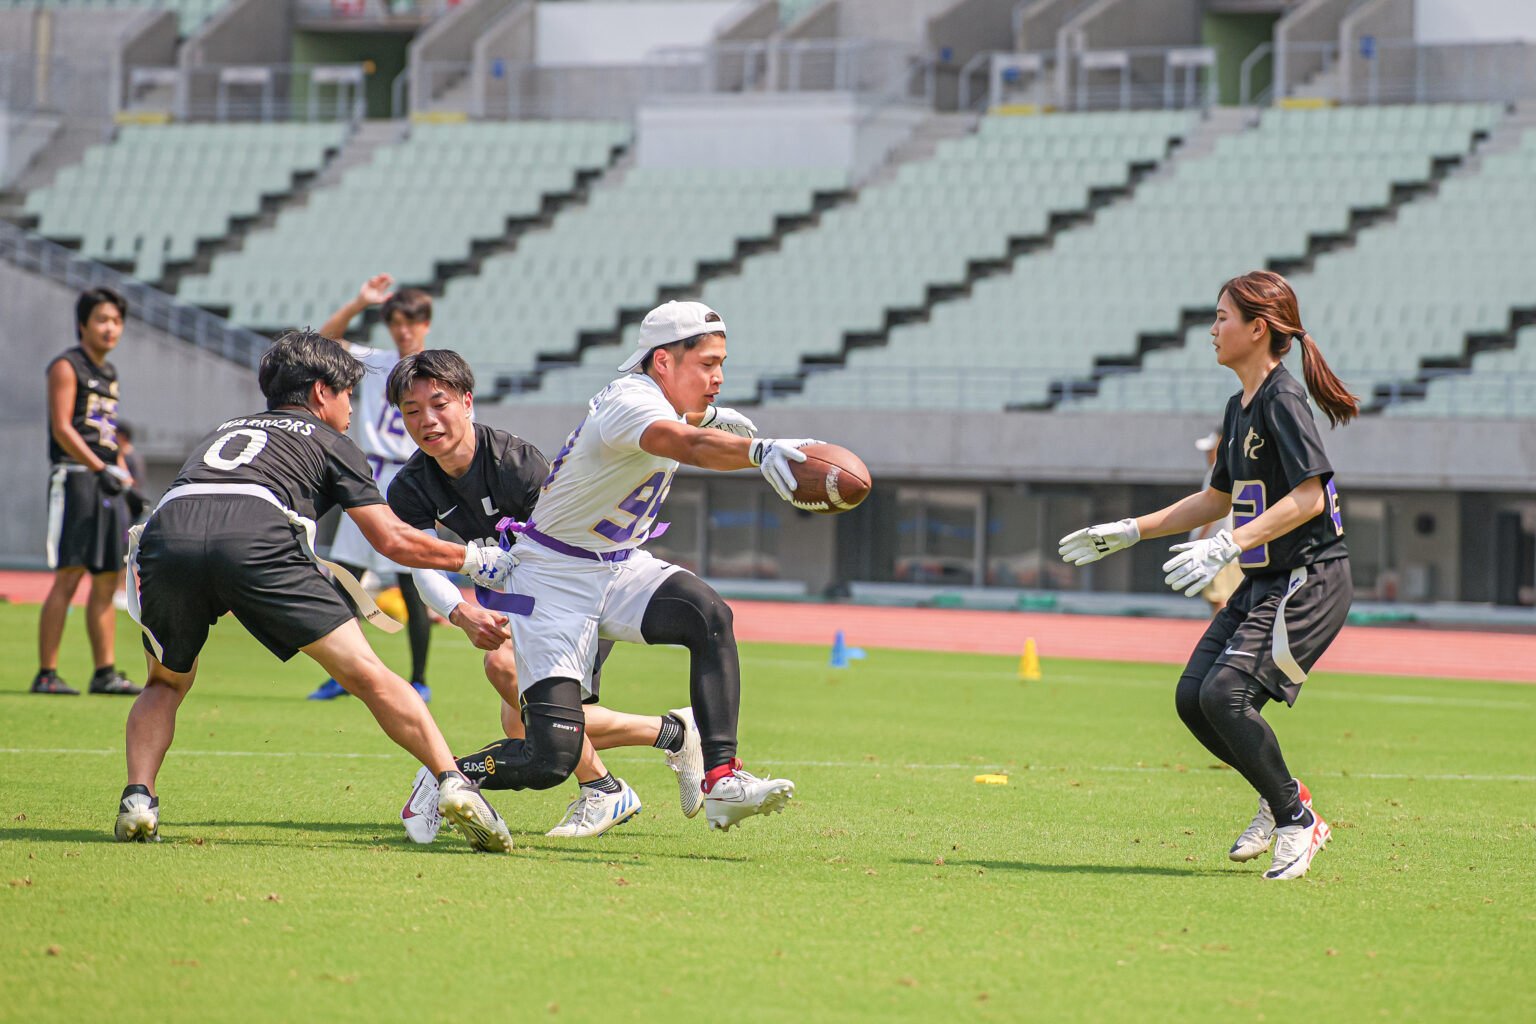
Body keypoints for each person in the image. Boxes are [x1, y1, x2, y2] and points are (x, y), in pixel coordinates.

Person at [114, 331, 518, 854]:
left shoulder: (225, 429)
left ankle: (139, 798)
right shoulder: (330, 440)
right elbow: (393, 541)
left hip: (168, 535)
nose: (351, 408)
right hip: (256, 534)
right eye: (349, 394)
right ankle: (452, 782)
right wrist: (475, 559)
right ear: (322, 393)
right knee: (369, 675)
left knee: (165, 683)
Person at [435, 300, 809, 832]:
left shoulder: (659, 401)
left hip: (617, 566)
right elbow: (679, 441)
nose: (719, 378)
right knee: (548, 757)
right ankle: (444, 776)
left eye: (721, 364)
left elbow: (684, 423)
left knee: (708, 615)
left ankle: (723, 779)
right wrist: (757, 450)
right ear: (663, 361)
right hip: (556, 580)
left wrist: (707, 417)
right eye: (707, 364)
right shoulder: (630, 400)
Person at [1058, 270, 1357, 881]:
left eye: (1222, 317)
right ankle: (1285, 797)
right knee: (1193, 699)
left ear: (1258, 328)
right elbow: (1217, 498)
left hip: (1310, 579)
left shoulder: (1282, 399)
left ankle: (1297, 821)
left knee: (1224, 695)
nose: (1213, 329)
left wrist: (1229, 544)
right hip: (1264, 581)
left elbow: (1309, 497)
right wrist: (1131, 530)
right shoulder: (1237, 407)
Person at [383, 348, 754, 839]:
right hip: (525, 602)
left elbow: (566, 551)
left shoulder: (515, 463)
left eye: (439, 404)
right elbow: (419, 559)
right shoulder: (410, 485)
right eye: (412, 411)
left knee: (507, 675)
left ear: (467, 402)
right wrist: (459, 611)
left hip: (581, 590)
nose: (427, 421)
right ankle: (669, 739)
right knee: (521, 727)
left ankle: (598, 784)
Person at [308, 274, 435, 702]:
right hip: (368, 475)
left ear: (425, 324)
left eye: (411, 322)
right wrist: (360, 302)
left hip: (412, 478)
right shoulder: (377, 361)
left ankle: (419, 679)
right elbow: (323, 342)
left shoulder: (437, 368)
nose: (403, 331)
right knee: (347, 580)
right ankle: (344, 674)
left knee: (413, 583)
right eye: (395, 322)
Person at [34, 288, 141, 696]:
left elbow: (108, 434)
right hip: (77, 478)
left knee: (107, 577)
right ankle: (46, 673)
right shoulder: (66, 366)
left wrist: (123, 474)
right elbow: (63, 427)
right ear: (82, 324)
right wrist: (99, 468)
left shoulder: (109, 373)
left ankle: (104, 672)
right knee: (69, 574)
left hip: (106, 481)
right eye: (102, 319)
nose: (110, 328)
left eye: (116, 321)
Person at [1191, 430, 1241, 615]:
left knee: (1219, 599)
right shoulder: (1232, 470)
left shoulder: (1217, 472)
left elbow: (1211, 510)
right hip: (1232, 547)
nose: (1208, 454)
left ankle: (1220, 633)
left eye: (1211, 449)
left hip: (1217, 549)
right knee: (1227, 599)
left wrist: (1198, 542)